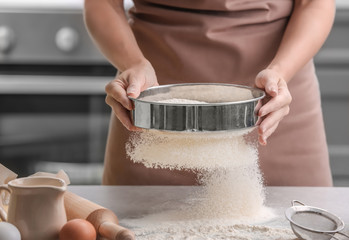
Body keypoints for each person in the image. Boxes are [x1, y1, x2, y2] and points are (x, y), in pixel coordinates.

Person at [84, 0, 335, 186]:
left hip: (274, 94)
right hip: (155, 96)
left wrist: (281, 71)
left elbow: (315, 3)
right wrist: (132, 63)